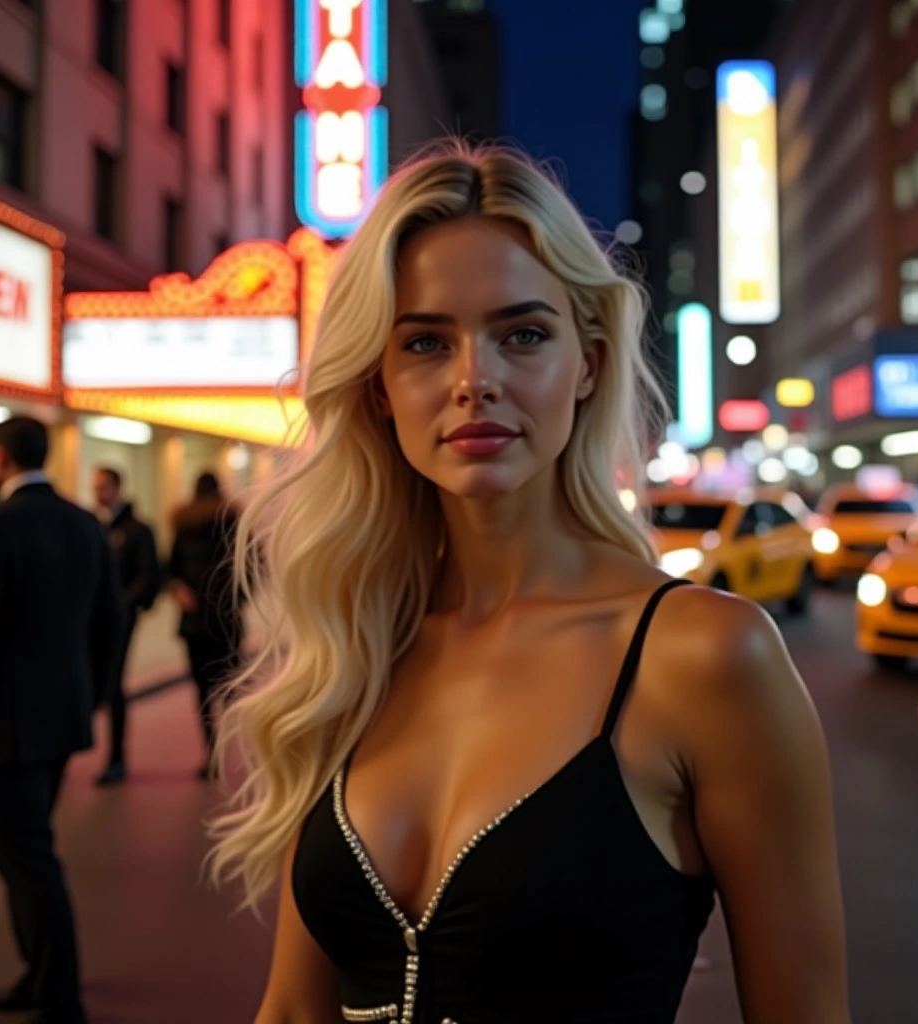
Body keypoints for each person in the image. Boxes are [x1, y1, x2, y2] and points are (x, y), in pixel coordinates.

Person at [209, 143, 849, 1024]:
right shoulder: (355, 646)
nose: (476, 380)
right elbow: (291, 1010)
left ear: (586, 365)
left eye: (523, 335)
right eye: (427, 342)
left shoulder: (704, 656)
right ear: (381, 386)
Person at [0, 417, 122, 1024]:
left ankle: (59, 994)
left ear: (1, 458)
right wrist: (92, 693)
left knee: (29, 858)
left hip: (8, 727)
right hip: (61, 715)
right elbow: (110, 621)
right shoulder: (84, 525)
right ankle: (40, 977)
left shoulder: (3, 527)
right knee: (24, 855)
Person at [168, 471, 243, 779]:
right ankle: (229, 747)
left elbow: (171, 567)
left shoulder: (183, 524)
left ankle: (211, 751)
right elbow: (251, 565)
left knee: (202, 689)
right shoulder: (233, 521)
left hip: (195, 618)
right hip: (226, 618)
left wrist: (180, 589)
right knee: (229, 687)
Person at [92, 467, 160, 786]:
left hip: (119, 619)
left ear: (117, 487)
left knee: (112, 684)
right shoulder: (92, 525)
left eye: (103, 486)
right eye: (95, 486)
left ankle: (116, 756)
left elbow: (147, 576)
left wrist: (120, 605)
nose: (98, 492)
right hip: (91, 618)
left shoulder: (136, 530)